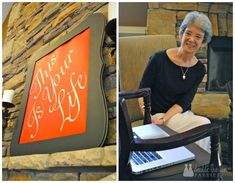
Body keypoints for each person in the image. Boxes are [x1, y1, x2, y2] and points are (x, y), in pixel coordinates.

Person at [138, 11, 212, 153]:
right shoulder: (158, 59)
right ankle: (203, 169)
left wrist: (166, 119)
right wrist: (148, 117)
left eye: (198, 37)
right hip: (155, 115)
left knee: (204, 127)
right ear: (181, 34)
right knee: (204, 126)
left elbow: (185, 101)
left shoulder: (199, 69)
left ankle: (200, 169)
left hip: (177, 116)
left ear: (203, 43)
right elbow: (143, 91)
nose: (191, 39)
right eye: (188, 33)